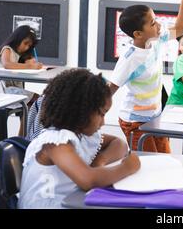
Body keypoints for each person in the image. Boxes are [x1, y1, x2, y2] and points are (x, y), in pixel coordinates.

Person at [18, 69, 140, 209]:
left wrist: (101, 160)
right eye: (101, 114)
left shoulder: (82, 135)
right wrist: (127, 167)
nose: (103, 122)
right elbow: (88, 180)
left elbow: (119, 143)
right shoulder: (55, 142)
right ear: (81, 110)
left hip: (71, 202)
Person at [108, 0, 183, 153]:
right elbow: (108, 91)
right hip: (134, 122)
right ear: (138, 34)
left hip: (155, 117)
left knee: (165, 160)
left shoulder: (156, 41)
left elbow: (179, 29)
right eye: (153, 23)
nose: (159, 25)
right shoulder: (129, 59)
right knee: (148, 165)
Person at [0, 25, 43, 136]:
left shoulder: (20, 54)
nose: (26, 47)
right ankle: (23, 136)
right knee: (38, 100)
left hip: (12, 90)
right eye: (25, 43)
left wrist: (31, 62)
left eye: (29, 45)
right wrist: (30, 67)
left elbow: (27, 63)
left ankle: (22, 136)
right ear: (18, 38)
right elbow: (8, 64)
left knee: (34, 103)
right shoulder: (7, 49)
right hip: (2, 91)